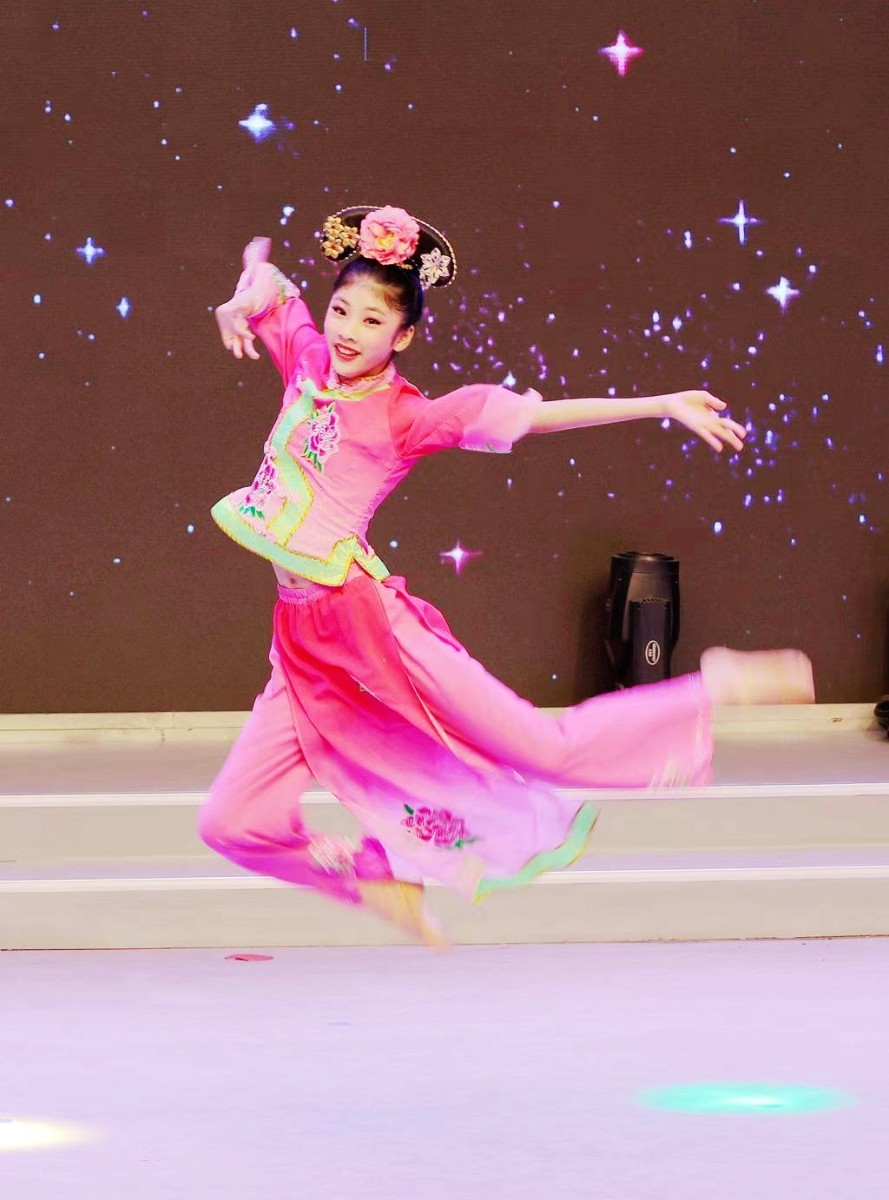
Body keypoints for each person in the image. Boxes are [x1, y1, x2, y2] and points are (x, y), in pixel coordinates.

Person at [199, 204, 813, 947]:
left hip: (368, 629)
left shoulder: (407, 417)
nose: (347, 331)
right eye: (341, 311)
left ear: (403, 336)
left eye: (371, 320)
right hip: (299, 647)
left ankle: (708, 689)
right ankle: (373, 881)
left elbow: (538, 417)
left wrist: (659, 405)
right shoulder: (306, 363)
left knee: (541, 750)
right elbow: (271, 289)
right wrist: (245, 286)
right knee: (229, 822)